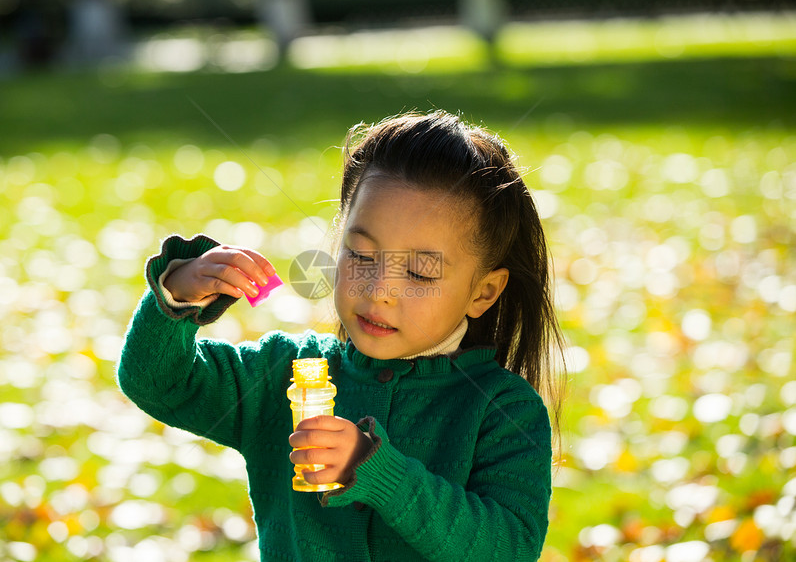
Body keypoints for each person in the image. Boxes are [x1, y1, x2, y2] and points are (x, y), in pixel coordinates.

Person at [117, 110, 566, 561]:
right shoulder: (282, 376)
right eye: (361, 254)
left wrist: (380, 472)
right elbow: (158, 382)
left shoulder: (502, 411)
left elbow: (507, 549)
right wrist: (176, 297)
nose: (379, 290)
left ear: (483, 292)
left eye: (419, 271)